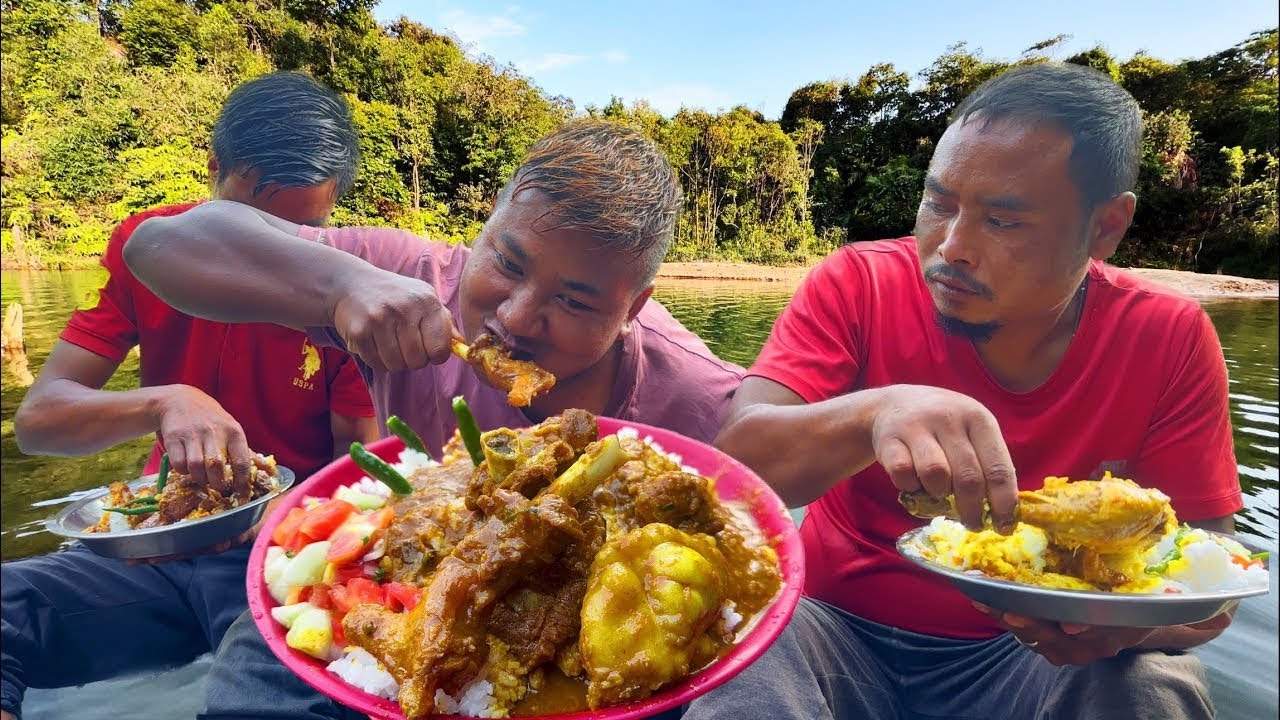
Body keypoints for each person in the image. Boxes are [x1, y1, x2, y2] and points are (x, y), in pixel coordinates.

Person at [122, 119, 743, 719]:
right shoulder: (404, 279)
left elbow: (753, 514)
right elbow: (158, 247)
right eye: (507, 262)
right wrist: (341, 286)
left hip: (590, 645)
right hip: (400, 585)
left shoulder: (694, 389)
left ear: (634, 307)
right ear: (483, 232)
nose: (520, 316)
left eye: (575, 300)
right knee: (255, 673)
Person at [685, 63, 1242, 720]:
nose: (952, 248)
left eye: (1002, 222)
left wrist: (1123, 628)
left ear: (1106, 227)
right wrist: (878, 411)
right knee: (746, 646)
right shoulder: (856, 284)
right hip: (831, 633)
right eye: (939, 203)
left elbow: (1215, 576)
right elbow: (734, 472)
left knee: (1150, 685)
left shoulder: (1167, 336)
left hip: (1030, 664)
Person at [2, 72, 379, 720]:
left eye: (306, 230)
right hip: (155, 545)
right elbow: (38, 422)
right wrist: (162, 400)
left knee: (278, 700)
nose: (276, 253)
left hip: (281, 557)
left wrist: (271, 519)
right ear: (214, 171)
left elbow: (362, 473)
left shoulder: (354, 293)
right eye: (250, 222)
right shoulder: (147, 249)